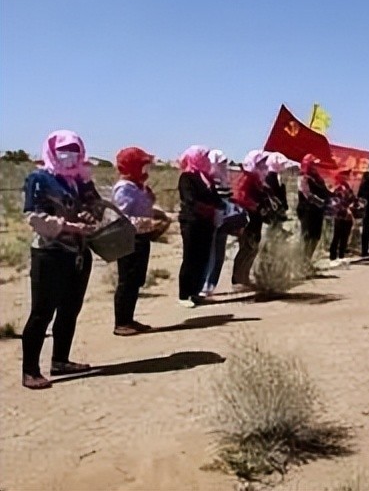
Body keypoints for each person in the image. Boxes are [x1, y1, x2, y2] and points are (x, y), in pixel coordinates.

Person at [21, 130, 102, 389]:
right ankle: (30, 370)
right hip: (50, 251)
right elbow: (34, 217)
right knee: (42, 311)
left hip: (78, 252)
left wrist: (91, 216)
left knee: (70, 309)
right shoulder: (40, 179)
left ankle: (60, 360)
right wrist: (70, 227)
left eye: (76, 149)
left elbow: (96, 207)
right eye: (65, 149)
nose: (71, 155)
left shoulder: (79, 180)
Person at [111, 146, 169, 335]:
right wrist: (149, 223)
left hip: (141, 237)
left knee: (136, 280)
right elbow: (123, 217)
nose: (146, 169)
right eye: (143, 165)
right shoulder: (124, 188)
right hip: (129, 239)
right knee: (127, 280)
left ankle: (129, 318)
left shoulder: (138, 186)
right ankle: (121, 322)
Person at [177, 145, 224, 307]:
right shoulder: (186, 177)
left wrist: (221, 207)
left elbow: (216, 198)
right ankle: (184, 295)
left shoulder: (206, 177)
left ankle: (195, 292)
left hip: (207, 223)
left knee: (202, 258)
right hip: (192, 222)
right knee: (190, 258)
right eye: (203, 156)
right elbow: (189, 199)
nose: (206, 160)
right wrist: (208, 208)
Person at [231, 150, 273, 291]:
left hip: (256, 219)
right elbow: (239, 196)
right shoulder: (246, 177)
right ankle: (237, 280)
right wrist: (254, 206)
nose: (264, 166)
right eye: (261, 163)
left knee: (253, 249)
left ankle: (245, 277)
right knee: (246, 248)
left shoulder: (258, 179)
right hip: (247, 219)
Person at [201, 149, 234, 297]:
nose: (223, 165)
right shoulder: (208, 179)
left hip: (224, 219)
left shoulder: (224, 178)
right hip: (211, 219)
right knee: (210, 252)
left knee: (219, 253)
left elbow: (228, 198)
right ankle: (203, 284)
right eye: (220, 162)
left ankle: (211, 284)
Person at [297, 153, 331, 261]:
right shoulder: (303, 178)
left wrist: (333, 195)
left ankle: (307, 260)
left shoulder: (318, 178)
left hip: (317, 211)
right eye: (313, 164)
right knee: (307, 237)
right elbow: (307, 194)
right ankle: (302, 262)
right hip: (307, 211)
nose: (315, 167)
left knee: (316, 237)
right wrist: (319, 201)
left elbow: (325, 191)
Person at [328, 169, 362, 260]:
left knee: (344, 237)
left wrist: (356, 205)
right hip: (340, 216)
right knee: (337, 236)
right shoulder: (337, 188)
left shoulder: (347, 187)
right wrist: (346, 209)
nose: (349, 177)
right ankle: (333, 257)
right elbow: (336, 202)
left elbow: (353, 200)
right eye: (346, 174)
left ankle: (341, 256)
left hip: (348, 217)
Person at [263, 151, 290, 224]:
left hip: (276, 209)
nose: (283, 166)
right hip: (275, 210)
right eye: (282, 164)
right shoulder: (271, 178)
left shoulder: (274, 176)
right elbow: (274, 194)